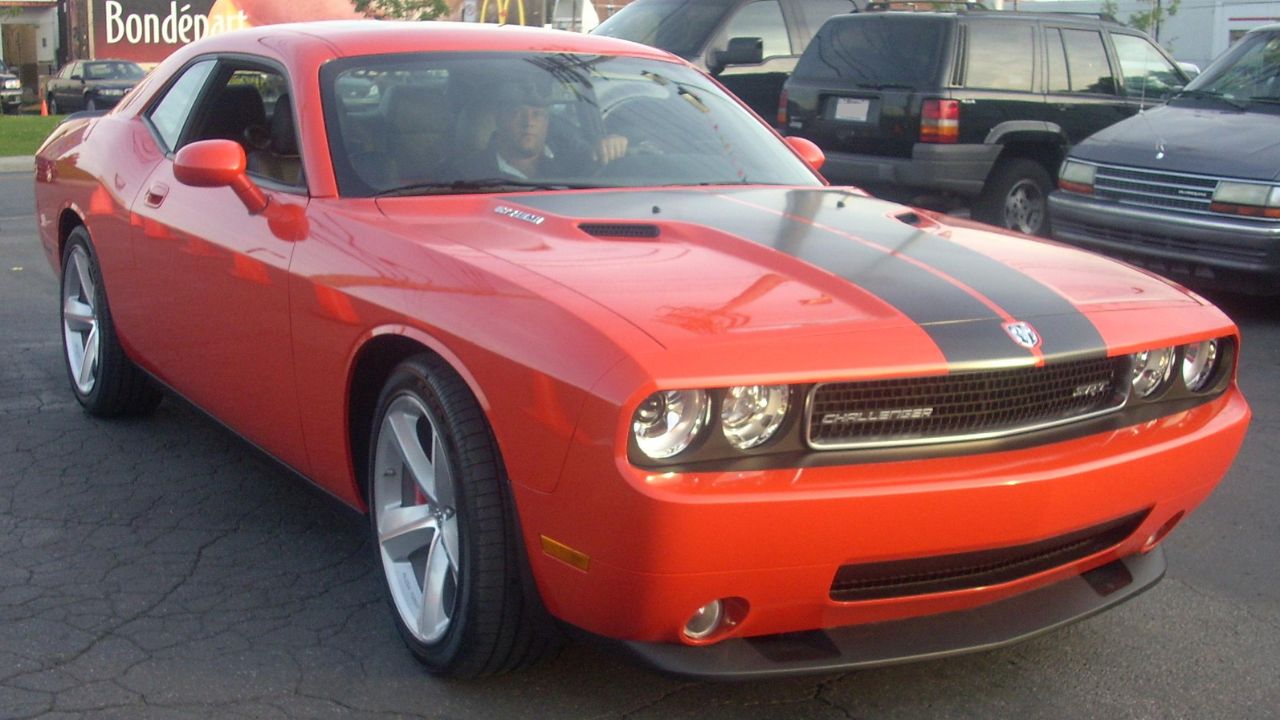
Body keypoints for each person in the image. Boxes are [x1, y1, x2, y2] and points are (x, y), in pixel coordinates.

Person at [458, 80, 627, 180]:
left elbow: (605, 162)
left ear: (547, 121)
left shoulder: (572, 158)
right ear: (499, 119)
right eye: (517, 113)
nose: (528, 122)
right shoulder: (466, 176)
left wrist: (615, 145)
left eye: (537, 114)